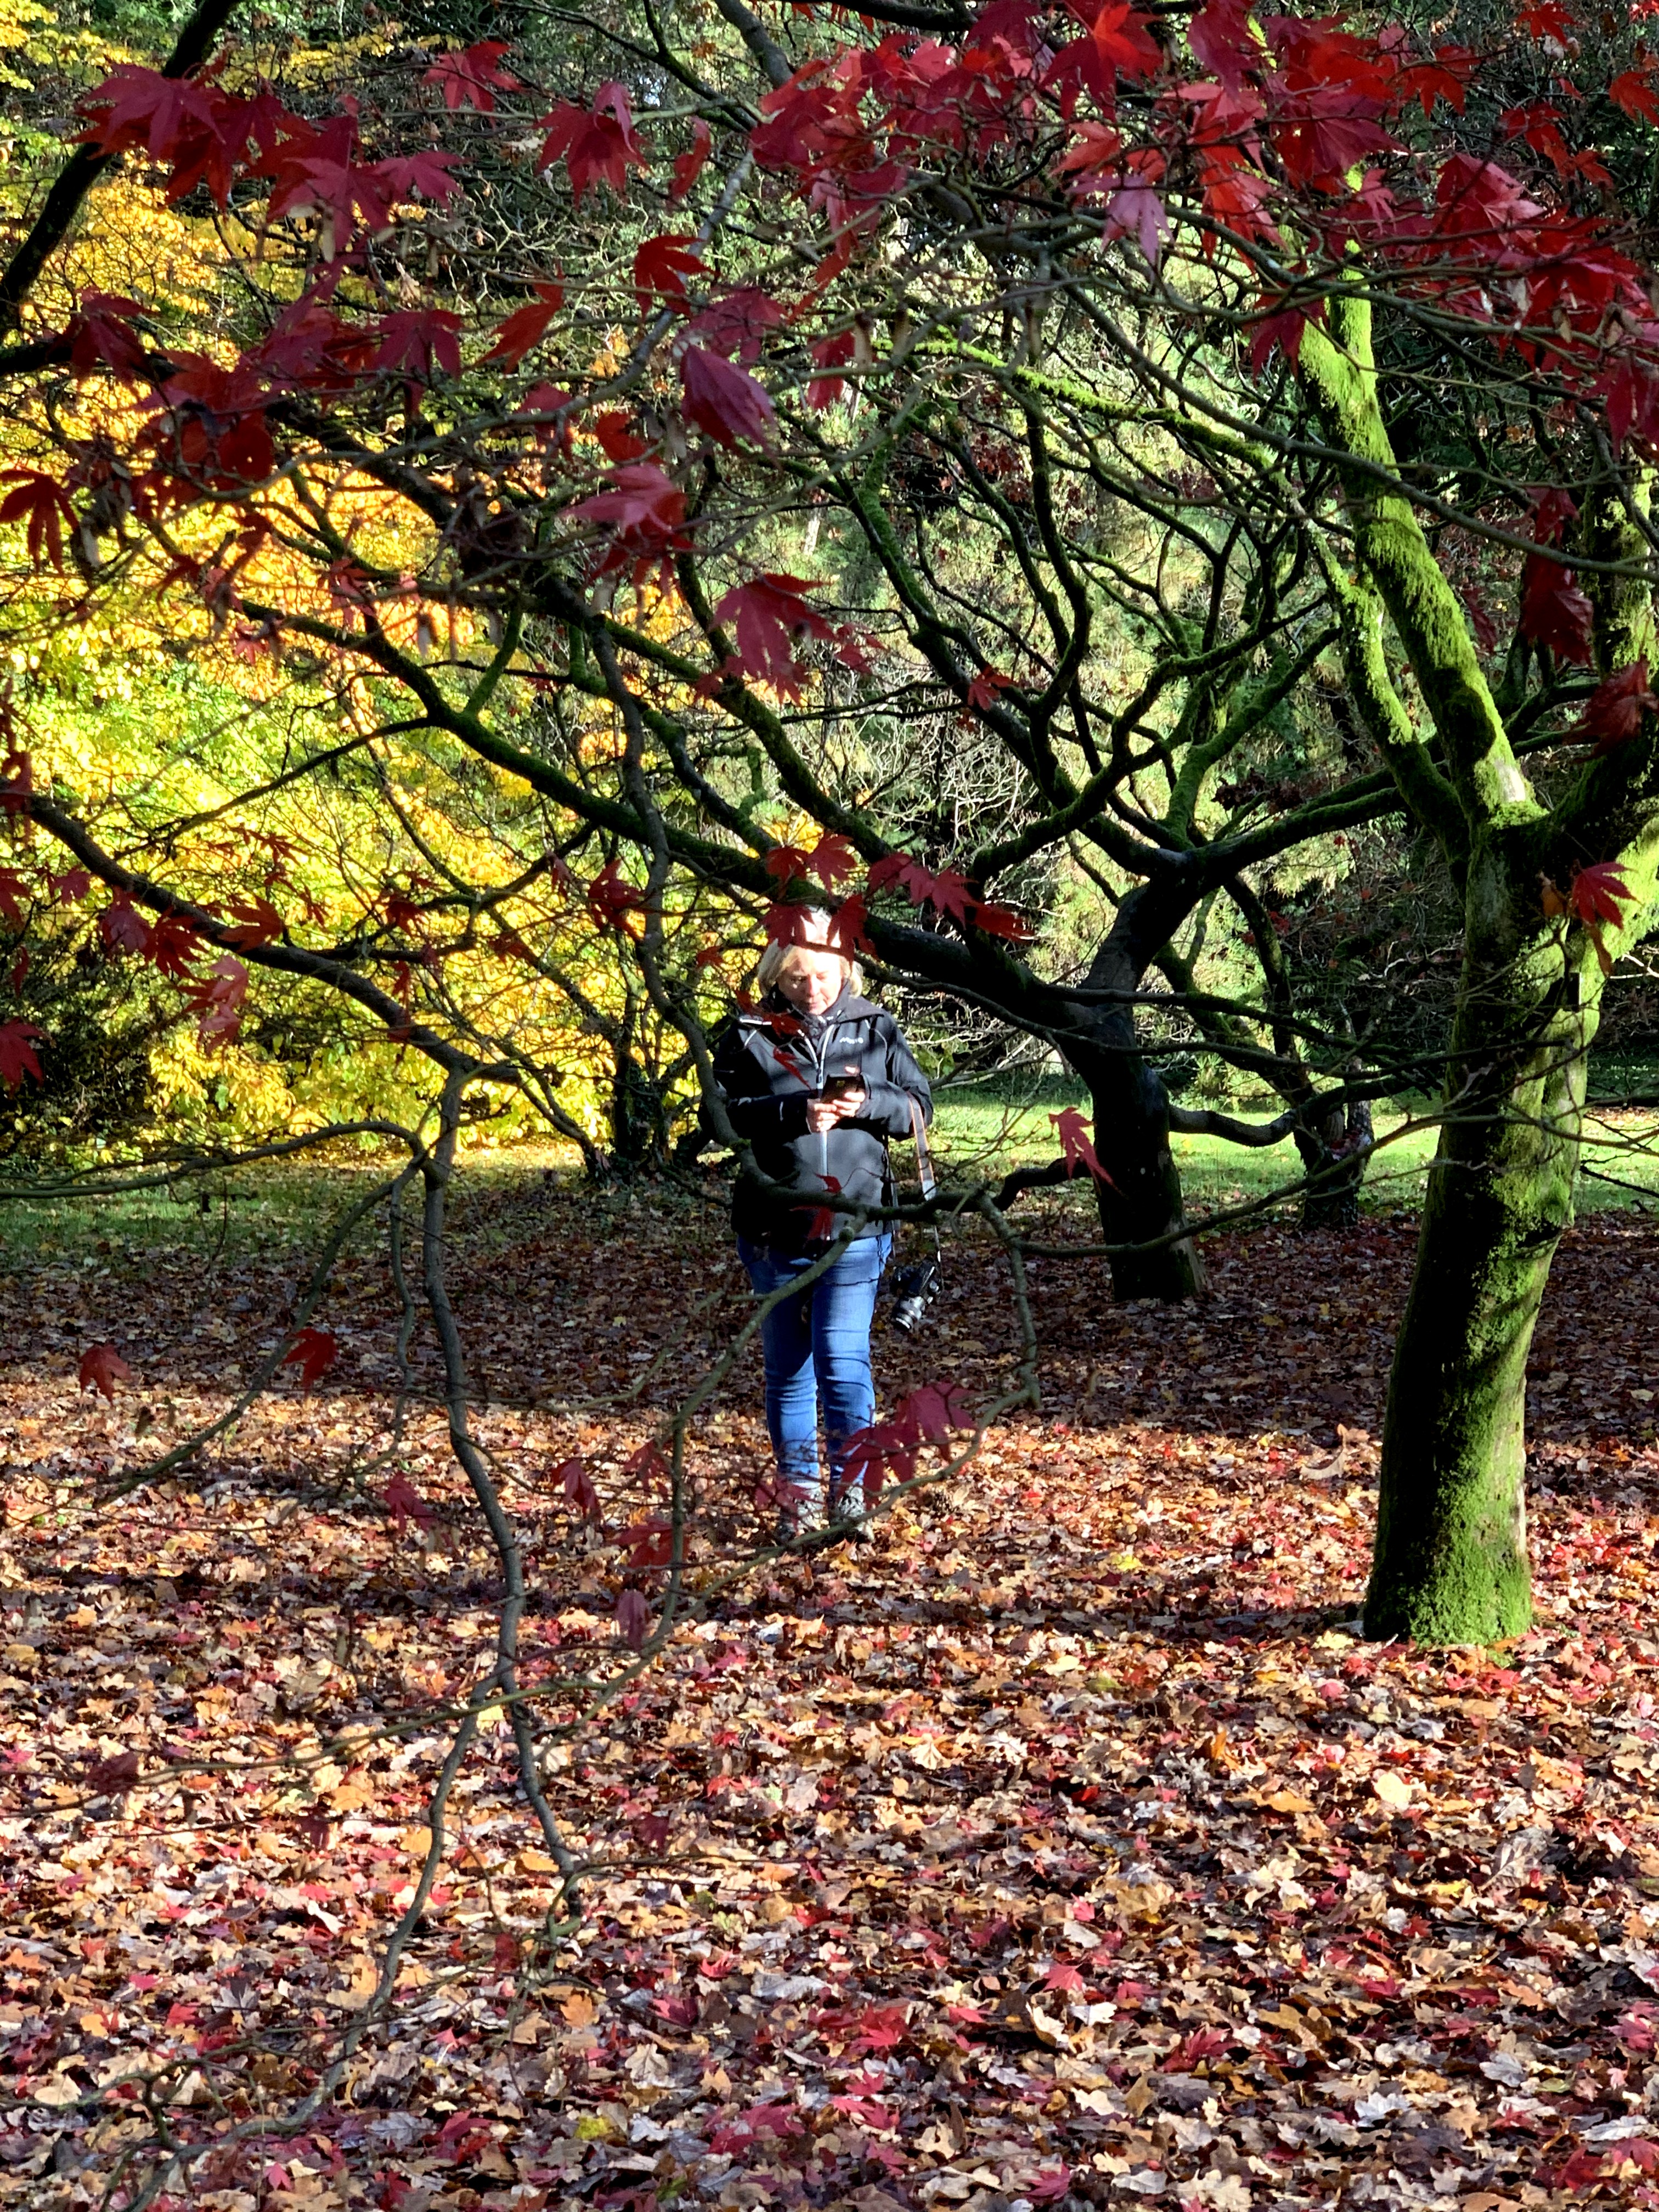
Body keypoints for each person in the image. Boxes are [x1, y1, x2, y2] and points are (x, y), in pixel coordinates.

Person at [709, 916, 933, 1532]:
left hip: (858, 1226)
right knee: (788, 1369)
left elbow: (920, 1108)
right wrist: (792, 1113)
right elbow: (718, 1118)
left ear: (846, 970)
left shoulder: (874, 1027)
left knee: (842, 1356)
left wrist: (868, 1104)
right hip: (773, 1226)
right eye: (798, 978)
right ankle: (800, 1498)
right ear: (776, 975)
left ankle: (852, 1492)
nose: (813, 989)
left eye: (825, 975)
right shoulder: (748, 1032)